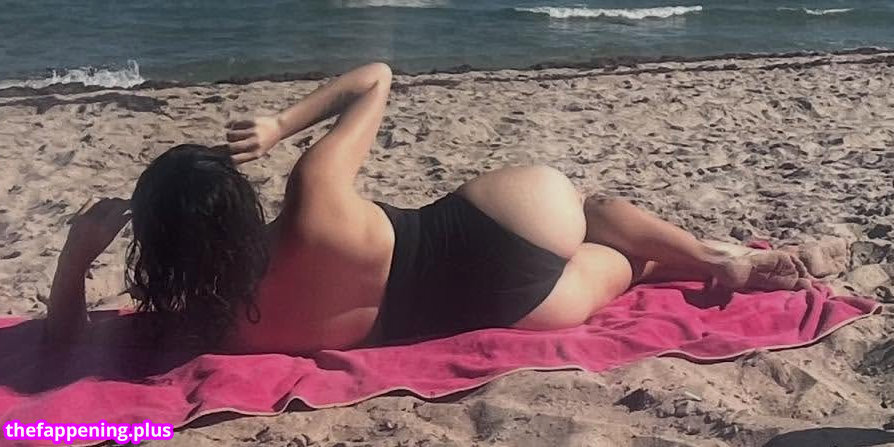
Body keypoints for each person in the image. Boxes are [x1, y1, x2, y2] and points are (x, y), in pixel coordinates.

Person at [45, 62, 815, 354]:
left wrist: (76, 261)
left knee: (622, 267)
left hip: (515, 311)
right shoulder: (312, 200)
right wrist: (280, 126)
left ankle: (703, 261)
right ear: (238, 200)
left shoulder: (209, 323)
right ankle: (717, 256)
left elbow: (65, 345)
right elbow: (375, 78)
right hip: (495, 227)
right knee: (593, 206)